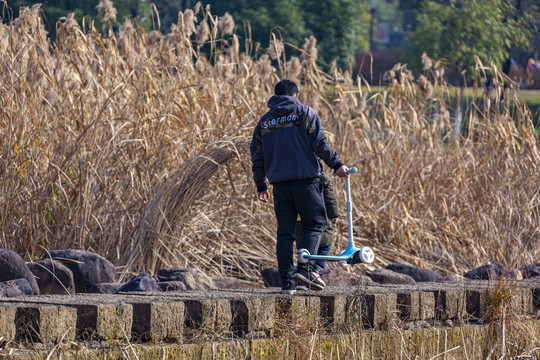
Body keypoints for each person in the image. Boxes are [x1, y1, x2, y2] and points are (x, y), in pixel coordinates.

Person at [250, 79, 349, 294]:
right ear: (296, 95)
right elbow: (320, 144)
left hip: (280, 186)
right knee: (316, 224)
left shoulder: (264, 122)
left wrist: (261, 185)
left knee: (285, 234)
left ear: (275, 97)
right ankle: (305, 270)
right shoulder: (304, 112)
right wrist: (337, 165)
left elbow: (257, 157)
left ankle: (287, 283)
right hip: (306, 182)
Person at [295, 165, 340, 291]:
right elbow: (329, 195)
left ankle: (301, 280)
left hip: (299, 221)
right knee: (325, 245)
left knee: (304, 252)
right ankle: (315, 270)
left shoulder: (296, 176)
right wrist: (333, 213)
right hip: (320, 218)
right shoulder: (321, 176)